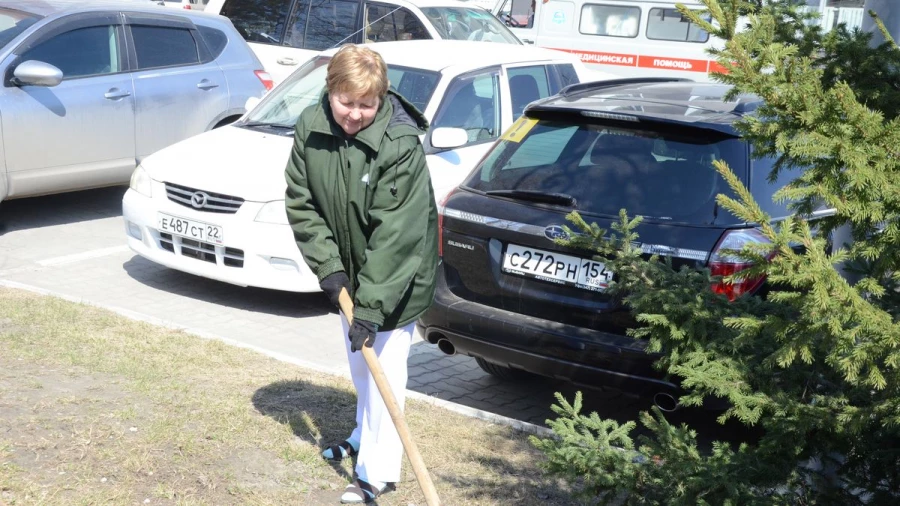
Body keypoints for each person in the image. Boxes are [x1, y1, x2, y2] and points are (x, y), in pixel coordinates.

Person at [283, 44, 439, 504]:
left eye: (366, 105)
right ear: (330, 92)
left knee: (384, 373)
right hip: (348, 276)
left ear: (382, 98)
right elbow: (302, 201)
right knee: (360, 369)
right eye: (346, 102)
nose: (354, 114)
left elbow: (397, 236)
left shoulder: (400, 145)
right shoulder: (310, 128)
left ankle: (376, 473)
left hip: (397, 280)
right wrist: (329, 269)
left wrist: (370, 308)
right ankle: (361, 434)